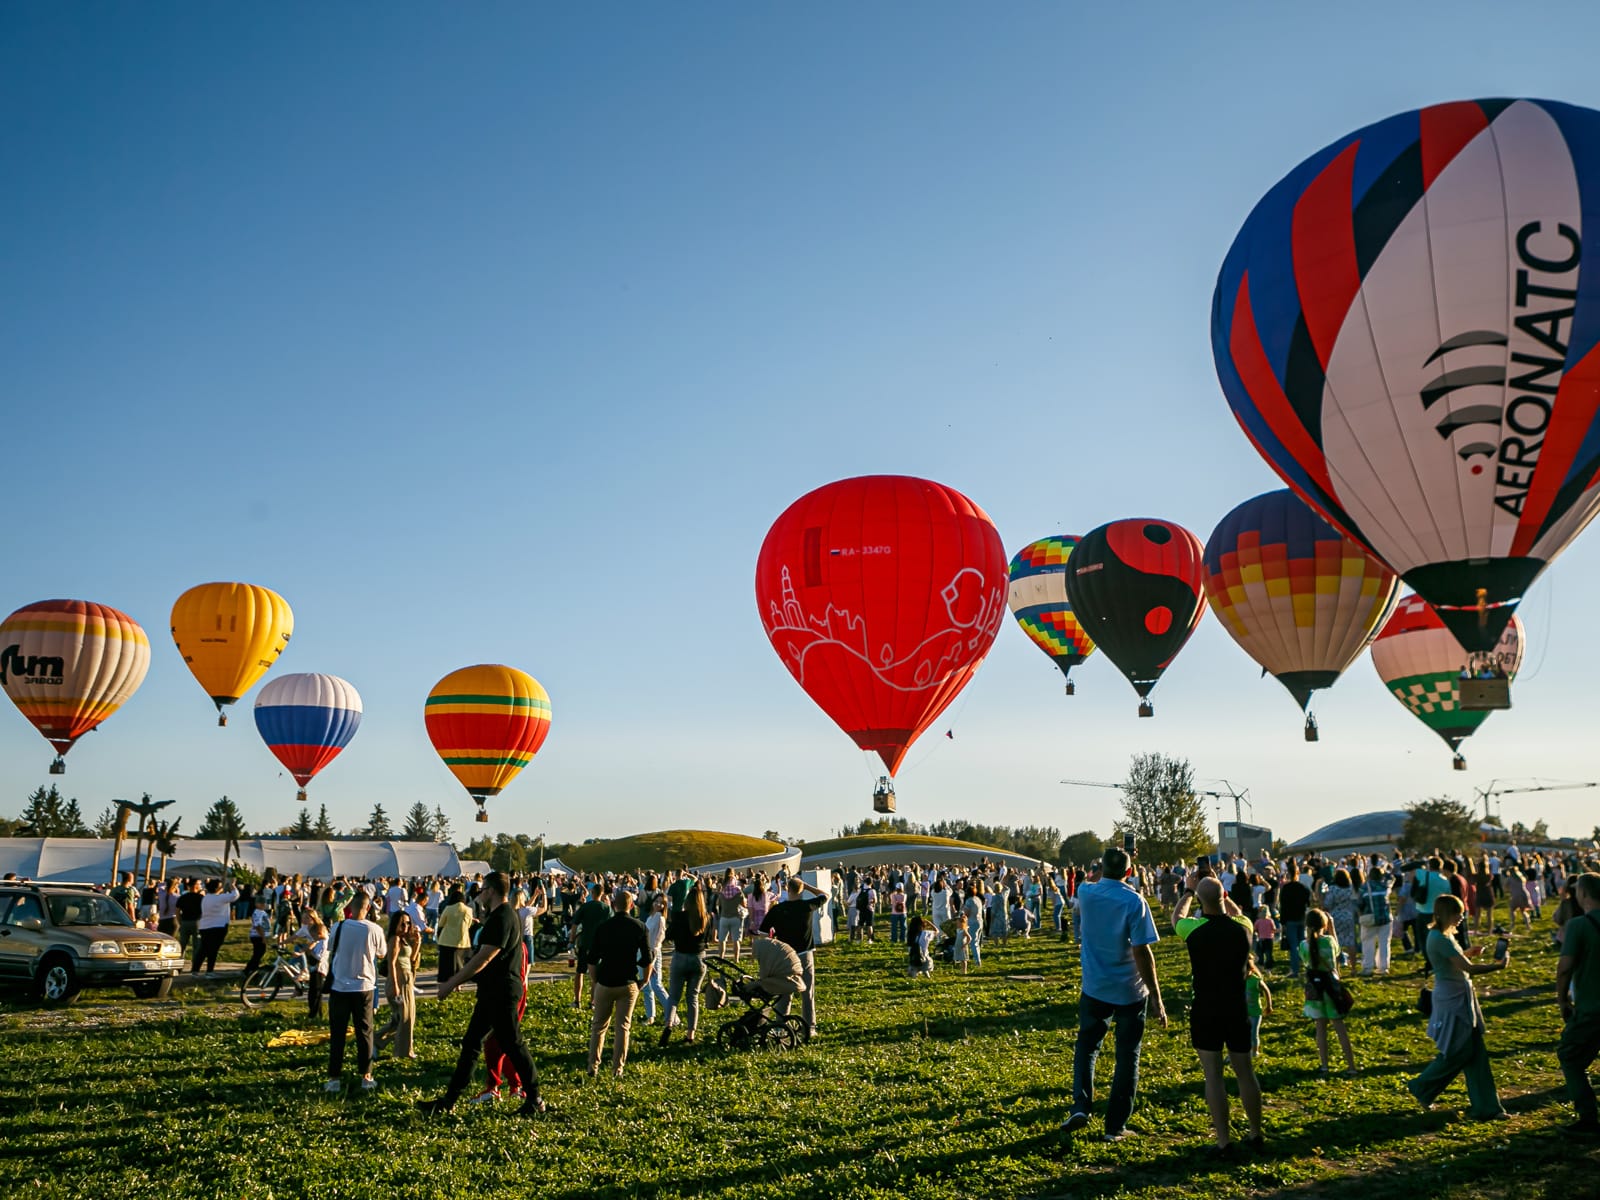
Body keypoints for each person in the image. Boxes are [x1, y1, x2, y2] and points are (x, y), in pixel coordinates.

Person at [419, 872, 546, 1116]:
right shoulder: (503, 915)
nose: (480, 895)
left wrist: (451, 982)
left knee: (512, 1044)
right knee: (473, 1044)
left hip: (502, 992)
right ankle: (449, 1100)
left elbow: (484, 957)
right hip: (493, 991)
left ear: (490, 890)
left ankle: (535, 1098)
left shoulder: (502, 917)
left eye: (483, 890)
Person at [1061, 847, 1166, 1142]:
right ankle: (1115, 1126)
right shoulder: (1134, 901)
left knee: (1087, 1046)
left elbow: (1092, 877)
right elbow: (1142, 951)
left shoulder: (1086, 892)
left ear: (1101, 867)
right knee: (1127, 1056)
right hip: (1129, 988)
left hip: (1095, 985)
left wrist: (1105, 866)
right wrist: (1156, 996)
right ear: (1130, 873)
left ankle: (1081, 1106)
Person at [1172, 878, 1264, 1154]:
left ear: (1201, 902)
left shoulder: (1194, 929)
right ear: (1224, 896)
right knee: (1246, 1073)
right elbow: (1237, 913)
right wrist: (1220, 891)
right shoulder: (1244, 927)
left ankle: (1224, 1140)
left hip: (1206, 1008)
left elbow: (1177, 916)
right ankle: (1256, 1133)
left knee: (1213, 1075)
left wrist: (1189, 891)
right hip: (1237, 1008)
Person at [1407, 893, 1508, 1119]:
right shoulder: (1440, 939)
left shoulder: (1441, 936)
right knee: (1458, 1051)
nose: (1461, 917)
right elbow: (1468, 969)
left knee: (1474, 1053)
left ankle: (1488, 1107)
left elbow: (1455, 961)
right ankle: (1422, 1086)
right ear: (1446, 914)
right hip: (1453, 1001)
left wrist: (1467, 953)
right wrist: (1497, 967)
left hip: (1457, 997)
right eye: (1458, 913)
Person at [324, 891, 387, 1094]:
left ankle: (334, 1078)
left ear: (349, 908)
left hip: (340, 986)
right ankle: (366, 1075)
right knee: (365, 1032)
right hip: (364, 987)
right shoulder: (374, 929)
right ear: (368, 908)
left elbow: (330, 948)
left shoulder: (339, 926)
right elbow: (381, 953)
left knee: (338, 1033)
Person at [586, 890, 653, 1078]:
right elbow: (647, 958)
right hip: (628, 982)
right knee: (623, 1027)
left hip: (606, 982)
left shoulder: (603, 927)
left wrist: (595, 980)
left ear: (613, 905)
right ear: (632, 905)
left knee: (598, 1026)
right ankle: (618, 1068)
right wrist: (644, 980)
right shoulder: (640, 927)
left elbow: (591, 959)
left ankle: (593, 1065)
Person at [760, 875, 829, 1040]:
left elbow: (763, 932)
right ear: (801, 890)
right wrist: (807, 886)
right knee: (807, 992)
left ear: (786, 889)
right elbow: (826, 895)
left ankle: (780, 1027)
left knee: (784, 992)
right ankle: (809, 1027)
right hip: (804, 955)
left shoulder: (777, 910)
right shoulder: (807, 906)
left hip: (785, 956)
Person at [1557, 872, 1600, 1135]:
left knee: (1570, 1056)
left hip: (1591, 1008)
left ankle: (1588, 1118)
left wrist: (1562, 999)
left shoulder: (1578, 926)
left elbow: (1565, 968)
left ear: (1583, 894)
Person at [1301, 909, 1356, 1077]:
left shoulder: (1304, 945)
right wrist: (1332, 928)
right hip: (1331, 990)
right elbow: (1338, 952)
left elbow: (1305, 961)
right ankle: (1351, 1066)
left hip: (1315, 992)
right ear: (1324, 925)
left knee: (1320, 1028)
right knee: (1340, 1028)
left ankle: (1324, 1065)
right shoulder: (1330, 941)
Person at [660, 883, 712, 1046]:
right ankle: (690, 1034)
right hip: (698, 958)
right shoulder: (707, 918)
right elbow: (708, 939)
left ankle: (668, 1025)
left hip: (681, 956)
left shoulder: (680, 917)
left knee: (674, 996)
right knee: (693, 997)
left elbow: (669, 935)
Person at [375, 908, 420, 1060]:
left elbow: (412, 959)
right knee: (405, 1018)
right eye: (402, 924)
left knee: (401, 1018)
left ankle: (377, 1039)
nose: (406, 927)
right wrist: (395, 986)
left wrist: (417, 942)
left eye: (408, 924)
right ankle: (403, 1052)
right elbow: (391, 964)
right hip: (398, 982)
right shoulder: (394, 939)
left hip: (407, 981)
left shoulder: (404, 940)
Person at [571, 883, 612, 1010]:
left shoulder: (585, 907)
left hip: (585, 943)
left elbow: (575, 924)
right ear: (602, 894)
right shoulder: (606, 908)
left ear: (593, 893)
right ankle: (593, 1002)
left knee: (580, 972)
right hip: (599, 945)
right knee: (596, 976)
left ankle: (577, 1000)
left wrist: (572, 939)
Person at [194, 876, 239, 976]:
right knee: (213, 950)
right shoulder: (221, 898)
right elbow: (235, 895)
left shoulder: (205, 898)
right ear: (216, 888)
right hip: (218, 926)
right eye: (220, 886)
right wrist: (233, 886)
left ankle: (195, 969)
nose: (222, 888)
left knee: (203, 949)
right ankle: (209, 971)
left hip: (205, 926)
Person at [639, 893, 671, 1025]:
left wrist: (651, 961)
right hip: (644, 953)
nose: (659, 904)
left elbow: (657, 941)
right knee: (647, 987)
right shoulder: (651, 917)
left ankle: (672, 1015)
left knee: (657, 985)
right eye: (657, 901)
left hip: (653, 954)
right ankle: (650, 1016)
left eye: (662, 903)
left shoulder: (660, 918)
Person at [1277, 866, 1312, 979]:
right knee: (1303, 944)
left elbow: (1282, 906)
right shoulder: (1303, 888)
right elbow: (1309, 902)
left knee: (1293, 946)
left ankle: (1295, 970)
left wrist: (1282, 922)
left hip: (1290, 919)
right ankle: (1308, 968)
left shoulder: (1286, 889)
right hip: (1301, 917)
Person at [1357, 868, 1393, 976]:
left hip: (1369, 918)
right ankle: (1383, 967)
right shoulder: (1386, 886)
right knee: (1384, 943)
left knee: (1367, 942)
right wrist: (1385, 870)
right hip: (1385, 918)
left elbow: (1359, 904)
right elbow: (1392, 877)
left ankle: (1367, 967)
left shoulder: (1364, 888)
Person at [435, 886, 473, 982]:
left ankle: (446, 982)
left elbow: (441, 923)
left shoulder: (448, 908)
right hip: (462, 940)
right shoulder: (468, 910)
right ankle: (458, 983)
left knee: (447, 965)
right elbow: (469, 924)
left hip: (446, 939)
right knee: (460, 963)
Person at [716, 870, 745, 962]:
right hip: (735, 917)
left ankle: (721, 958)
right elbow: (744, 904)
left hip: (724, 917)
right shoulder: (738, 890)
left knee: (722, 940)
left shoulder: (722, 890)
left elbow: (718, 903)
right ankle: (736, 959)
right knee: (736, 940)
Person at [175, 879, 203, 955]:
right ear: (196, 886)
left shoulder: (182, 897)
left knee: (182, 943)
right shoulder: (201, 898)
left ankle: (179, 959)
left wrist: (180, 922)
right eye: (199, 884)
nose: (200, 886)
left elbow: (177, 911)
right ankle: (195, 962)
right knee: (197, 944)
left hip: (185, 922)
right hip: (197, 921)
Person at [245, 896, 272, 975]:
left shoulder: (262, 912)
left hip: (260, 935)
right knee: (258, 953)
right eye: (262, 903)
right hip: (257, 936)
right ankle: (251, 968)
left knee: (260, 952)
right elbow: (258, 925)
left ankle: (253, 967)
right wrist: (263, 937)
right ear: (257, 904)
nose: (264, 905)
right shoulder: (258, 912)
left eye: (264, 903)